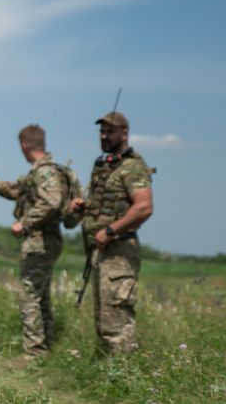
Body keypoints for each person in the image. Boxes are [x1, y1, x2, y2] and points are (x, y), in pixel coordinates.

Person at [0, 124, 69, 360]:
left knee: (29, 295)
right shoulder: (39, 172)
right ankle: (45, 346)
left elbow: (52, 202)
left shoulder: (44, 172)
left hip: (40, 240)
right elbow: (17, 191)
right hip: (46, 240)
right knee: (40, 294)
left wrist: (24, 223)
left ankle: (34, 353)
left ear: (24, 145)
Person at [67, 111, 153, 353]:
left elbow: (144, 207)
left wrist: (111, 230)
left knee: (117, 323)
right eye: (102, 132)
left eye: (110, 131)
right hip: (100, 253)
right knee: (104, 320)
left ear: (124, 132)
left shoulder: (132, 166)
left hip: (120, 251)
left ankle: (124, 380)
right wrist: (82, 207)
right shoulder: (104, 166)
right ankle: (108, 377)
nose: (104, 136)